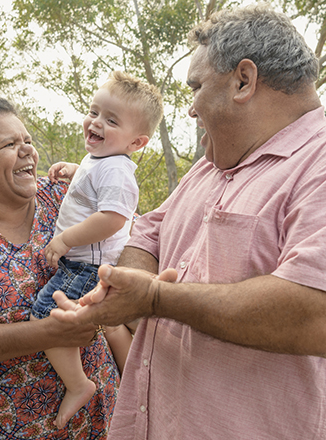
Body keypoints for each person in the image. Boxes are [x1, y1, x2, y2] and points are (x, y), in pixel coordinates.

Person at [51, 5, 326, 440]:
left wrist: (157, 300)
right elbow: (147, 232)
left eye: (196, 86)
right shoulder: (210, 165)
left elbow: (316, 313)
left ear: (243, 81)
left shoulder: (318, 163)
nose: (193, 109)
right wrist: (125, 285)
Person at [0, 93, 121, 439]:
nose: (27, 149)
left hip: (101, 417)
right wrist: (49, 332)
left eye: (27, 140)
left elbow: (130, 231)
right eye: (10, 144)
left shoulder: (64, 197)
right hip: (6, 426)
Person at [30, 71, 164, 429]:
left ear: (136, 143)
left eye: (111, 120)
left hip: (86, 265)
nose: (96, 122)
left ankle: (78, 385)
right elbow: (95, 187)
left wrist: (65, 239)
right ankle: (129, 381)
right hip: (88, 264)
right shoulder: (103, 161)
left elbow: (113, 218)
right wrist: (76, 171)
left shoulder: (118, 170)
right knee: (110, 323)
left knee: (47, 316)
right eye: (94, 112)